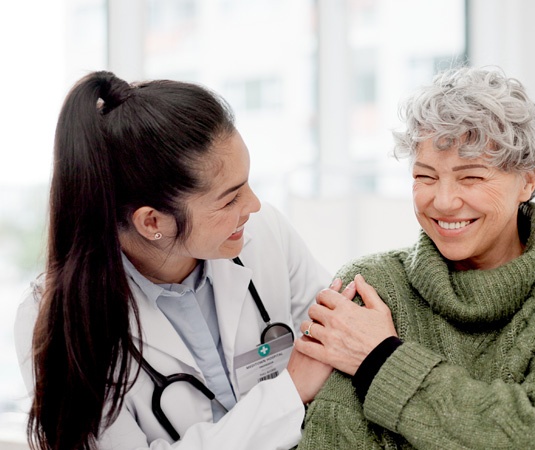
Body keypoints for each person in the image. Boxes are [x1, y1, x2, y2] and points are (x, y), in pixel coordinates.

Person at [294, 66, 535, 449]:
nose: (442, 201)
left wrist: (380, 360)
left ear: (527, 180)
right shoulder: (372, 284)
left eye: (471, 177)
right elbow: (333, 439)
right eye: (425, 177)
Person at [13, 70, 339, 450]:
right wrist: (289, 393)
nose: (253, 205)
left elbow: (335, 345)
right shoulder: (58, 321)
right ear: (152, 221)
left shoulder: (263, 235)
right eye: (229, 199)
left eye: (248, 184)